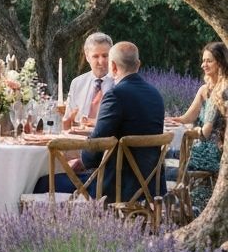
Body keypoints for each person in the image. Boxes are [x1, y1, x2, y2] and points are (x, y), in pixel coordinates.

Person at [81, 41, 165, 202]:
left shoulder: (115, 95)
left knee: (44, 183)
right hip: (151, 184)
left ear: (112, 67)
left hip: (117, 186)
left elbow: (96, 146)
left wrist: (82, 159)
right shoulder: (155, 94)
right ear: (138, 64)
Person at [169, 42, 228, 215]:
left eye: (208, 61)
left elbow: (205, 133)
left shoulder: (223, 91)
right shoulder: (205, 89)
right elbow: (187, 117)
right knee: (166, 155)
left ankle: (178, 207)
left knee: (163, 163)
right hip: (201, 148)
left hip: (213, 151)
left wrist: (187, 131)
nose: (203, 65)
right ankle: (185, 206)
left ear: (220, 63)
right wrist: (169, 120)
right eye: (203, 60)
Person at [63, 32, 114, 128]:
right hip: (78, 139)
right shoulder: (77, 83)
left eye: (105, 56)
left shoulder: (119, 83)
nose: (101, 61)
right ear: (87, 57)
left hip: (109, 139)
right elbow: (67, 120)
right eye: (95, 56)